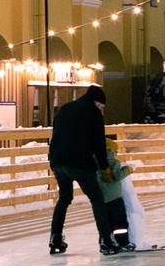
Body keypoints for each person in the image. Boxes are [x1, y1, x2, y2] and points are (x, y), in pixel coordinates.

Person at [48, 84, 124, 255]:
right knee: (97, 198)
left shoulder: (65, 108)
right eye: (102, 107)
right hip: (79, 162)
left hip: (57, 161)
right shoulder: (93, 112)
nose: (102, 110)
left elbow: (57, 134)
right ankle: (106, 240)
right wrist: (104, 167)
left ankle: (55, 237)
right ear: (98, 103)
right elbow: (98, 142)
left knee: (64, 198)